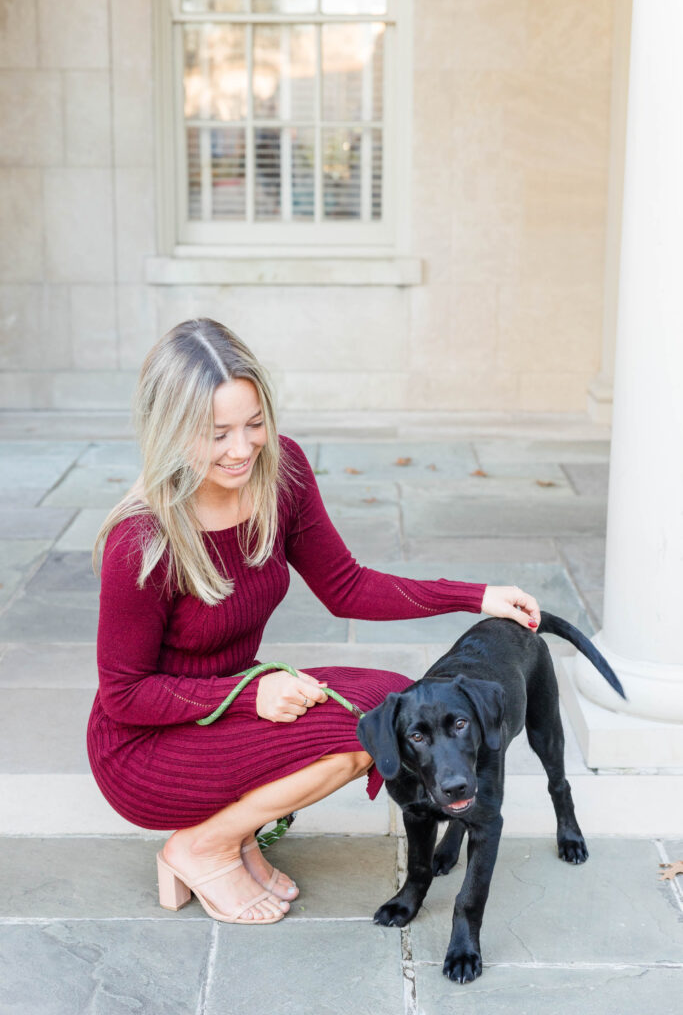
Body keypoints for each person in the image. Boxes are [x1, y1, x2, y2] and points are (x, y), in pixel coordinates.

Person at [87, 318, 541, 926]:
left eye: (254, 423)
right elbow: (125, 695)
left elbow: (346, 584)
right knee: (362, 734)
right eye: (216, 433)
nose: (243, 448)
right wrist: (251, 692)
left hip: (231, 703)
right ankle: (202, 844)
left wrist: (476, 595)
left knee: (387, 705)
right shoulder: (140, 540)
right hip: (143, 744)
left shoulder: (282, 472)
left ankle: (234, 831)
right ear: (169, 430)